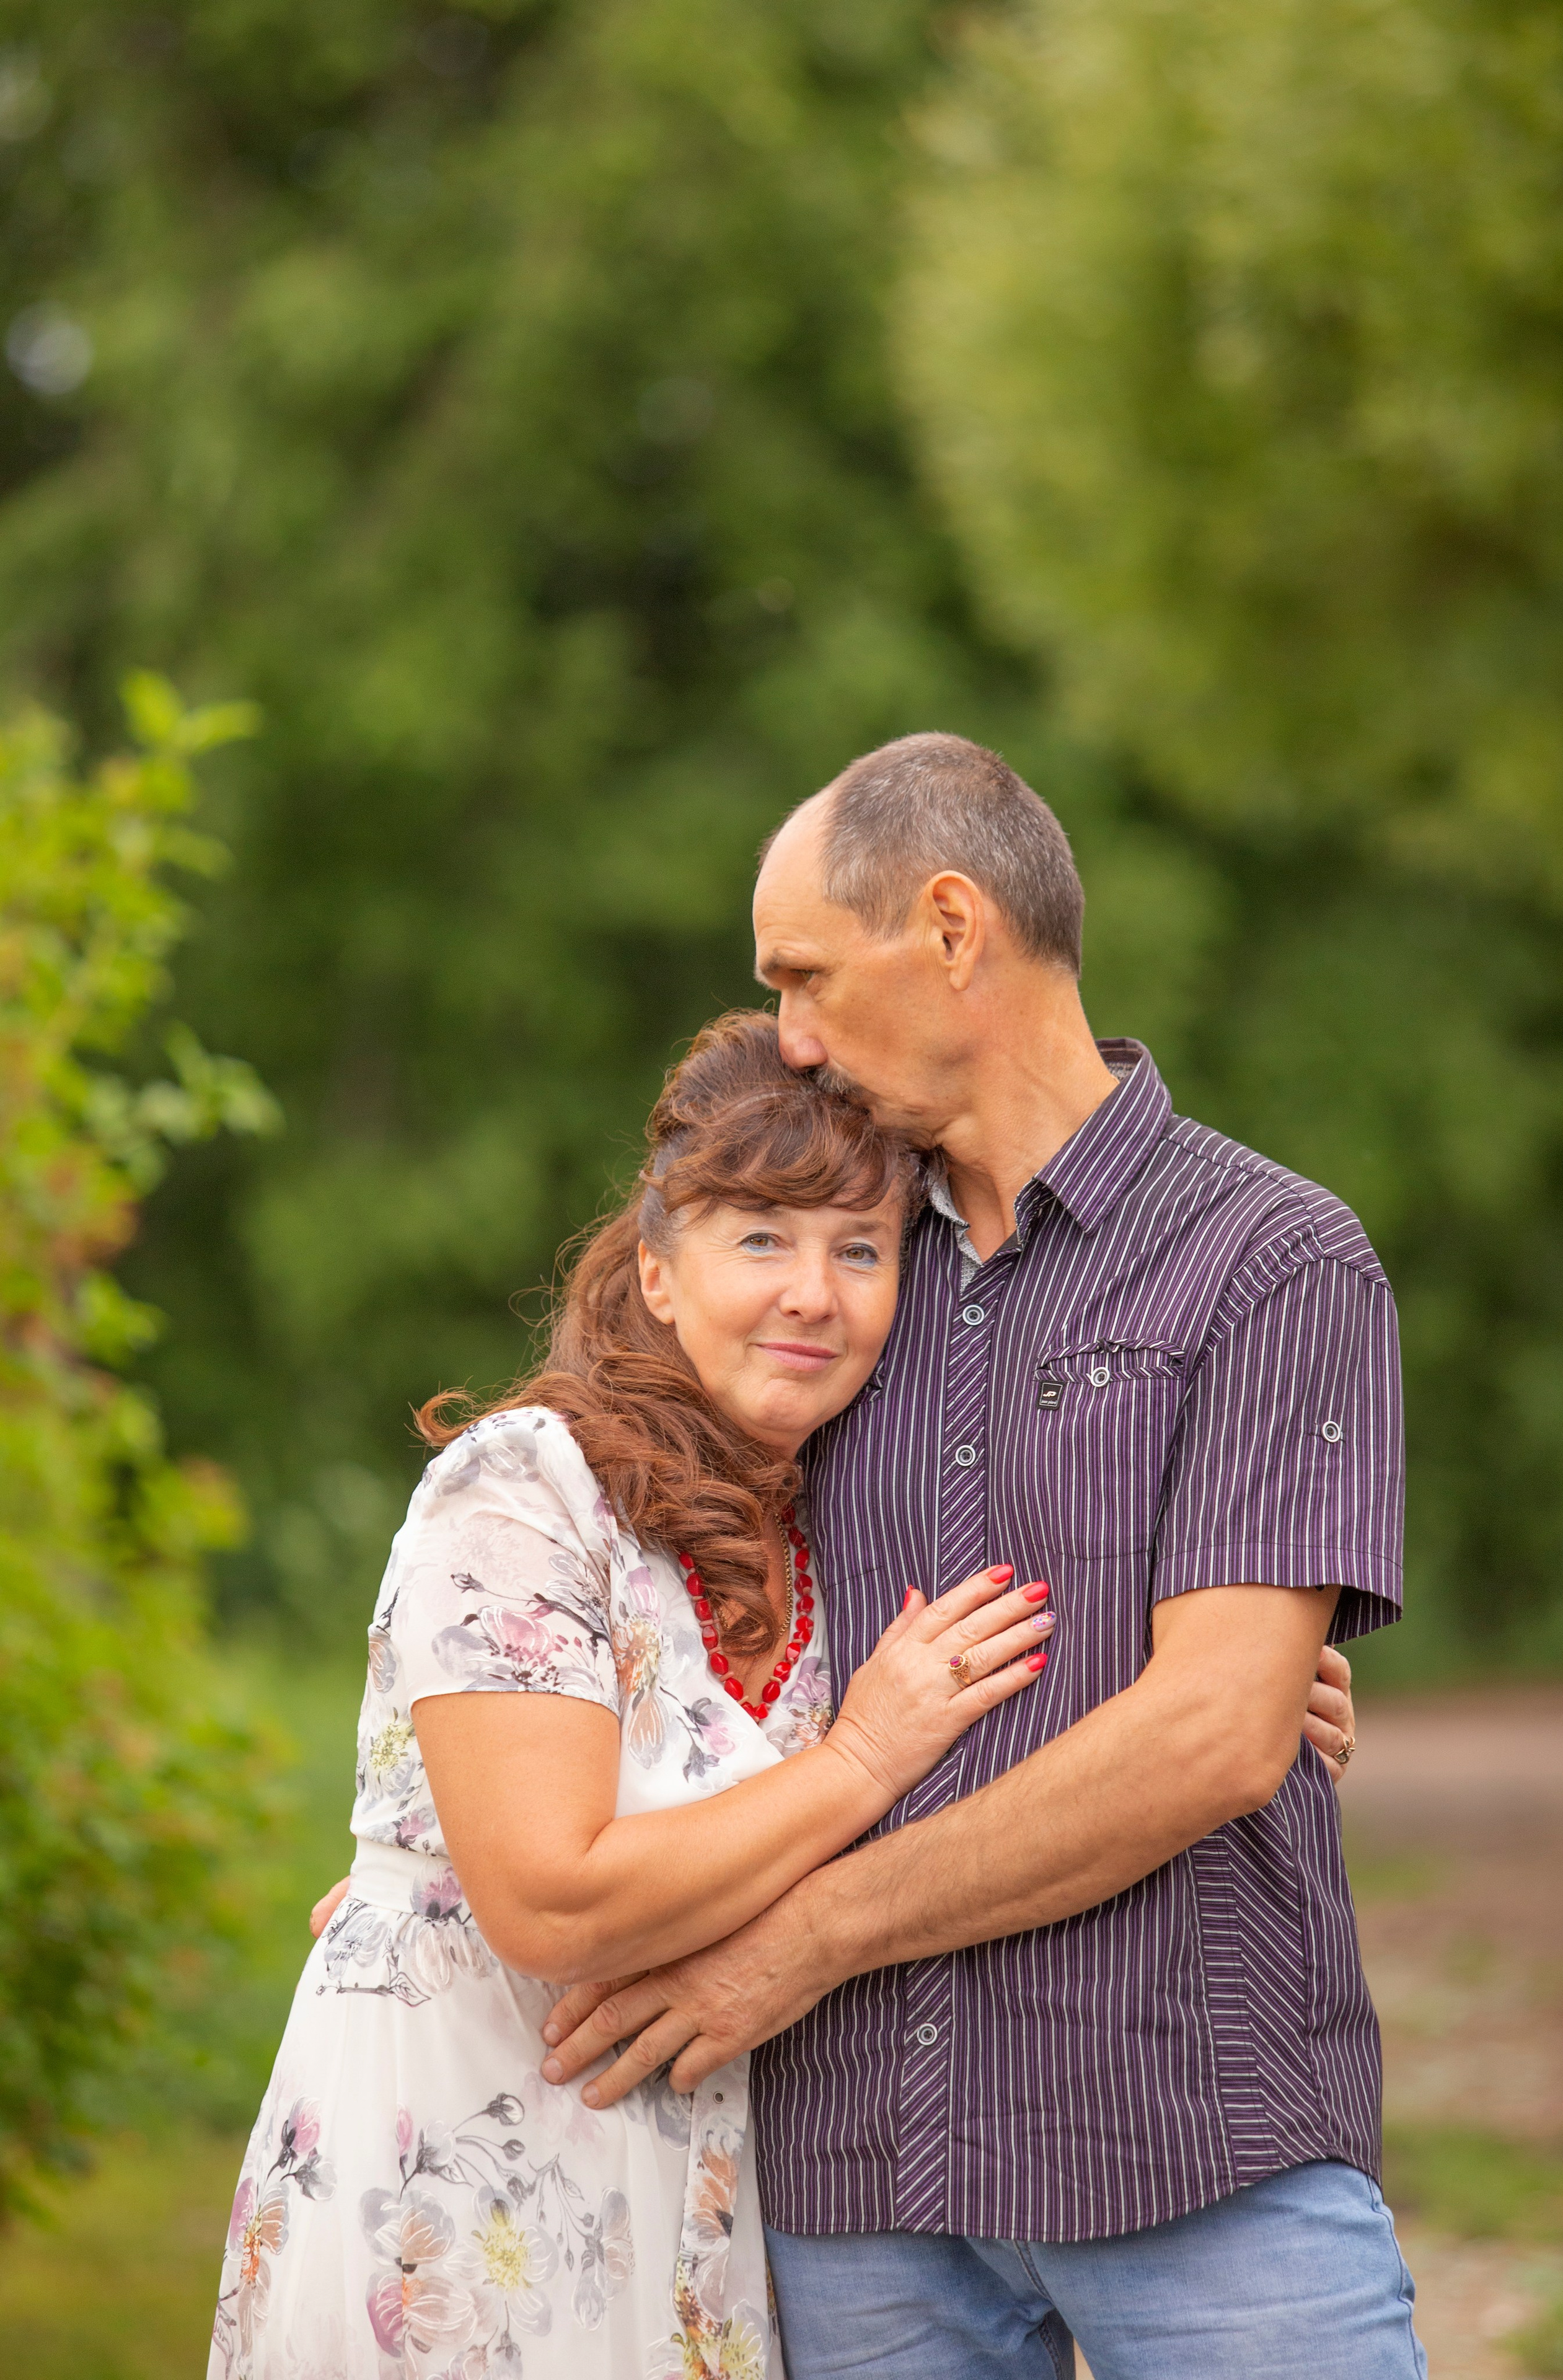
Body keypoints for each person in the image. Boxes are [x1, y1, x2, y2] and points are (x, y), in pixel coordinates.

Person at [537, 733, 1422, 2379]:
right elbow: (616, 1591)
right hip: (856, 2173)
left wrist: (804, 1938)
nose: (788, 1039)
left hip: (1197, 2146)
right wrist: (446, 1869)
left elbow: (1218, 1735)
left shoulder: (1274, 1260)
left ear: (952, 929)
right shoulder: (827, 1283)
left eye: (804, 977)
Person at [209, 1014, 1061, 2380]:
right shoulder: (524, 1490)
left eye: (860, 1250)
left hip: (687, 2204)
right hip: (451, 2182)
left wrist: (1267, 1682)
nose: (813, 1294)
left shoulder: (838, 1524)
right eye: (761, 1240)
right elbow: (547, 1896)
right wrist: (855, 1760)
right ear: (658, 1274)